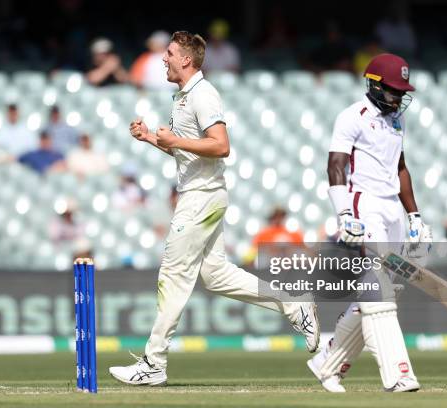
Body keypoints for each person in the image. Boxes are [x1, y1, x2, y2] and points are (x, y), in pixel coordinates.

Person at [109, 31, 319, 386]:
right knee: (216, 275)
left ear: (186, 60)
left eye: (171, 53)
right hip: (202, 193)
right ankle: (294, 304)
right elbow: (190, 151)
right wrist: (151, 139)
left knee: (173, 277)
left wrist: (173, 138)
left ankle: (153, 362)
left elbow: (221, 146)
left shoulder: (203, 94)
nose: (164, 58)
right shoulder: (183, 96)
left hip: (200, 197)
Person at [308, 53, 432, 393]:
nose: (398, 98)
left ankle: (327, 362)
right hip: (365, 205)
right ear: (374, 85)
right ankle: (398, 374)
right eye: (393, 91)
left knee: (378, 291)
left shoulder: (397, 120)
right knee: (379, 289)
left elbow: (400, 167)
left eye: (402, 91)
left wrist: (415, 216)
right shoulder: (353, 116)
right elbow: (335, 166)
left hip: (392, 208)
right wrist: (344, 213)